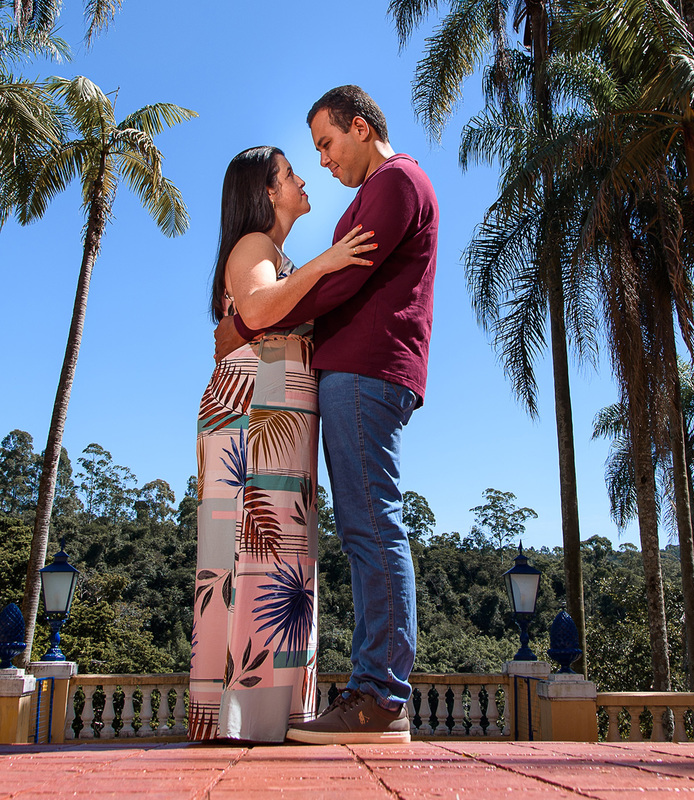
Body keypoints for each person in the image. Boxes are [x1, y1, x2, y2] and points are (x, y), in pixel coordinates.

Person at [215, 86, 439, 745]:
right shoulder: (379, 191)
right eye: (313, 150)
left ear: (362, 128)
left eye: (327, 143)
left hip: (369, 371)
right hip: (355, 372)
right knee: (363, 529)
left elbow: (343, 282)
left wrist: (252, 317)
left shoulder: (396, 183)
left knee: (372, 526)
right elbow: (331, 283)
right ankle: (370, 687)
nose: (323, 159)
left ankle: (380, 696)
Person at [189, 145, 377, 743]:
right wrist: (326, 264)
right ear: (267, 192)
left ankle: (269, 718)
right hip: (253, 416)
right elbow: (257, 306)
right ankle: (244, 722)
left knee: (279, 566)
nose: (303, 178)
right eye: (291, 173)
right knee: (248, 563)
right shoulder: (255, 247)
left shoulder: (279, 254)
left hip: (283, 419)